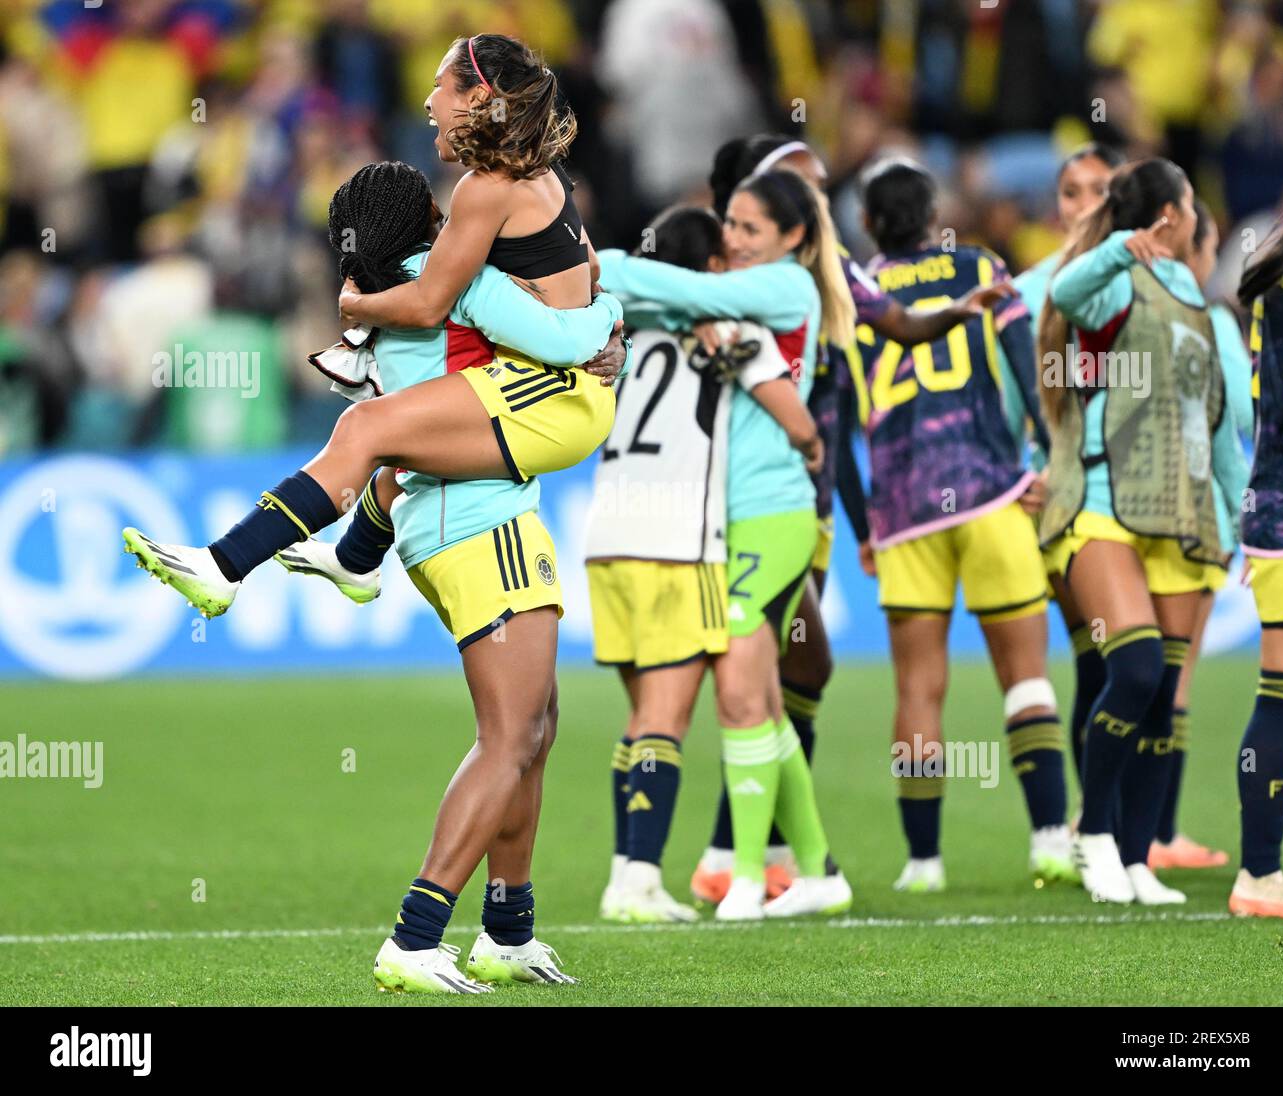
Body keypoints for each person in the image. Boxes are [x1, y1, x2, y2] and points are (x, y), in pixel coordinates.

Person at [123, 34, 623, 618]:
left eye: (440, 86)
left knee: (365, 427)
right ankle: (356, 558)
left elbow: (428, 304)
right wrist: (609, 331)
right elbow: (591, 268)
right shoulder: (545, 176)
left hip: (553, 394)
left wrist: (354, 306)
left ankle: (223, 567)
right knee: (399, 446)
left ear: (474, 100)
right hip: (573, 391)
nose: (429, 102)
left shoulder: (483, 190)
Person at [295, 162, 601, 993]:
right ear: (426, 217)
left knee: (534, 730)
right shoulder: (447, 283)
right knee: (510, 738)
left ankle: (506, 931)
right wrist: (599, 321)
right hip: (475, 519)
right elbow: (567, 332)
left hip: (464, 515)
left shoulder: (401, 293)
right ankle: (415, 936)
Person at [686, 134, 1015, 904]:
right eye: (803, 183)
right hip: (744, 500)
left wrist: (953, 314)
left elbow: (898, 324)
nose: (819, 194)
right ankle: (741, 857)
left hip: (811, 506)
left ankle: (773, 857)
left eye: (823, 184)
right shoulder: (729, 281)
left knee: (790, 669)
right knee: (764, 673)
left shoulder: (832, 281)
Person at [596, 168, 855, 919]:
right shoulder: (720, 307)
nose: (734, 240)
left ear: (793, 238)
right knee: (762, 701)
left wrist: (602, 266)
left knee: (740, 695)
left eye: (747, 228)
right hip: (712, 519)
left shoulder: (783, 291)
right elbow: (669, 297)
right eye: (728, 227)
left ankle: (744, 879)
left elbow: (681, 292)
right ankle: (818, 871)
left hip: (768, 511)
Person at [851, 158, 1070, 893]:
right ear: (933, 211)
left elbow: (836, 407)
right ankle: (1047, 840)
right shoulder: (976, 265)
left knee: (919, 687)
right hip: (991, 491)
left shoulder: (856, 290)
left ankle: (923, 861)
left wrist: (863, 521)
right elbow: (1024, 357)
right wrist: (1044, 452)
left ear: (871, 222)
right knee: (1025, 675)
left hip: (905, 509)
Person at [1038, 157, 1242, 905]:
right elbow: (1065, 292)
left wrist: (1238, 517)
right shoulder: (1118, 277)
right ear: (1173, 215)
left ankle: (1136, 859)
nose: (1195, 211)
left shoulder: (1201, 302)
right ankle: (1092, 833)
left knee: (1162, 700)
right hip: (1104, 498)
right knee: (1134, 669)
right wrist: (1120, 246)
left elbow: (1214, 421)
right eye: (1190, 200)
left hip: (1182, 513)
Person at [1015, 144, 1125, 801]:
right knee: (1101, 657)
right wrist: (1023, 469)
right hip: (1068, 497)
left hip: (1144, 495)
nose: (1082, 205)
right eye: (1070, 191)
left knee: (1148, 664)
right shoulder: (1031, 291)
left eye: (1098, 190)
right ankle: (1101, 825)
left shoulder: (1145, 282)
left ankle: (1146, 830)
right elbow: (1004, 396)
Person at [1146, 199, 1251, 871]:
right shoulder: (1213, 318)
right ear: (1202, 252)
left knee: (1125, 668)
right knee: (1174, 679)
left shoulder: (1132, 307)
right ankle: (1158, 833)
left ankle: (1102, 819)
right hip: (1196, 513)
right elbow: (1238, 411)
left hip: (1127, 506)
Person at [1229, 202, 1283, 918]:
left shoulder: (1275, 279)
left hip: (1276, 504)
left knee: (1282, 690)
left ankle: (1260, 874)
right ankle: (1258, 876)